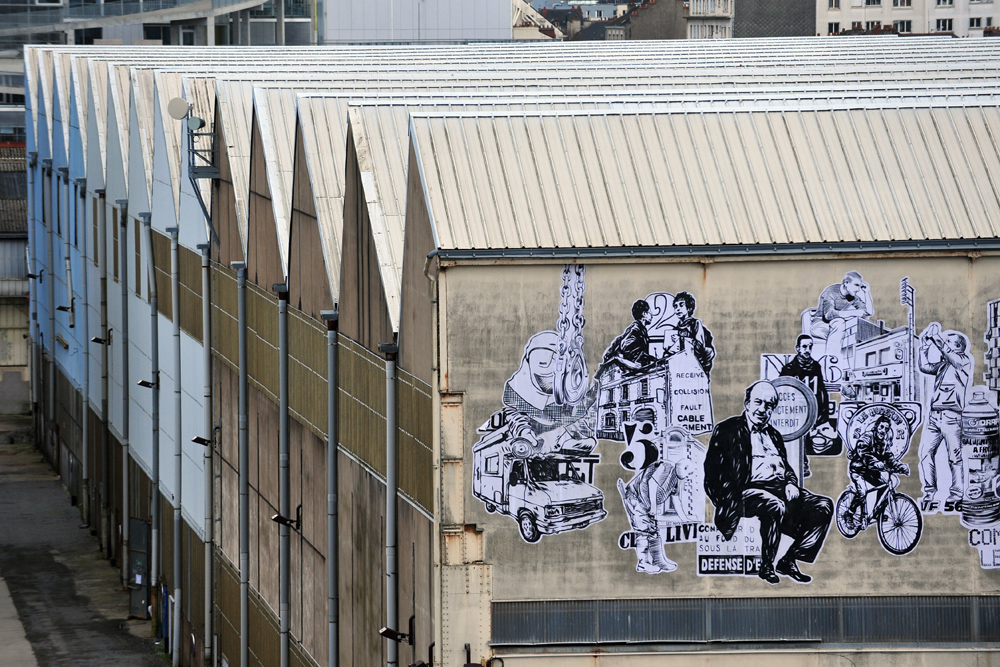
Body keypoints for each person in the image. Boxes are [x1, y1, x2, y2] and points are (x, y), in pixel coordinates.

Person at [704, 381, 833, 585]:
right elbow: (711, 473)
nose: (763, 409)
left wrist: (791, 482)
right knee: (774, 505)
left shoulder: (774, 434)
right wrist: (726, 501)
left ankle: (788, 559)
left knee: (822, 505)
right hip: (744, 491)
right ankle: (767, 566)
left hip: (778, 488)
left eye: (769, 405)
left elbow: (786, 468)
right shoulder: (727, 429)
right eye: (758, 402)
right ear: (747, 403)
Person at [917, 323, 973, 513]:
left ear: (958, 347)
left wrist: (937, 339)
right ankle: (930, 491)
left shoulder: (963, 362)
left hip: (951, 416)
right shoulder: (942, 365)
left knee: (954, 458)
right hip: (934, 415)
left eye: (950, 343)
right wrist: (924, 347)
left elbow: (949, 354)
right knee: (925, 453)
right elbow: (924, 367)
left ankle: (957, 494)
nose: (945, 345)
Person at [780, 334, 840, 465]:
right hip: (795, 411)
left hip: (813, 410)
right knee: (796, 441)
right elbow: (782, 392)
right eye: (804, 346)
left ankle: (803, 463)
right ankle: (800, 464)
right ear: (798, 348)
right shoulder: (788, 369)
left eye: (810, 347)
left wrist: (823, 412)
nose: (808, 349)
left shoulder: (816, 366)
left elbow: (821, 390)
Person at [848, 416, 909, 521]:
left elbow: (890, 458)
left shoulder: (883, 443)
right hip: (858, 470)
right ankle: (849, 514)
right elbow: (863, 453)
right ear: (876, 427)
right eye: (881, 427)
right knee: (862, 492)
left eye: (886, 429)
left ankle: (877, 512)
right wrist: (875, 463)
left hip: (871, 471)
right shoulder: (867, 437)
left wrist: (900, 467)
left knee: (885, 486)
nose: (883, 431)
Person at [810, 271, 874, 371]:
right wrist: (853, 313)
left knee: (847, 329)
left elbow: (869, 312)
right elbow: (828, 315)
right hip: (819, 325)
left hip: (835, 325)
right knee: (839, 323)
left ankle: (846, 368)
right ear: (846, 283)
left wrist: (867, 293)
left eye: (860, 286)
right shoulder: (831, 291)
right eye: (856, 285)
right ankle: (830, 364)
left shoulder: (852, 297)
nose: (858, 289)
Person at [603, 299, 658, 368]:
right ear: (644, 314)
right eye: (650, 313)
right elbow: (627, 348)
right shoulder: (636, 329)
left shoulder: (639, 329)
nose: (652, 316)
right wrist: (651, 359)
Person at [671, 291, 716, 376]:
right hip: (681, 369)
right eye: (675, 306)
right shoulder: (675, 329)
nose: (677, 309)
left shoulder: (695, 323)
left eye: (681, 305)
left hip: (696, 367)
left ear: (689, 308)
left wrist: (684, 339)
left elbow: (700, 346)